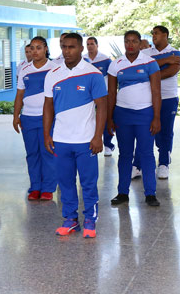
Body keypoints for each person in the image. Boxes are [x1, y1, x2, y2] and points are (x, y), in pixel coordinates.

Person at [43, 33, 107, 238]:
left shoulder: (93, 74)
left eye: (71, 47)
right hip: (61, 140)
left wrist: (98, 136)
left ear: (81, 49)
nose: (67, 51)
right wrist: (47, 134)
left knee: (88, 182)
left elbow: (102, 107)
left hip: (85, 140)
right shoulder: (52, 74)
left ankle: (90, 220)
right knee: (65, 182)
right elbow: (48, 106)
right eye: (64, 47)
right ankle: (70, 220)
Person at [108, 30, 162, 207]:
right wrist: (109, 118)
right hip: (122, 115)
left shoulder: (150, 63)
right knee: (124, 154)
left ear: (140, 43)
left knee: (146, 154)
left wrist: (156, 117)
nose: (130, 45)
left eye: (134, 41)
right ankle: (122, 192)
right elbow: (111, 93)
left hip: (145, 114)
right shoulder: (115, 64)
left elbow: (156, 92)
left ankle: (150, 193)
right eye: (127, 41)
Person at [135, 25, 180, 179]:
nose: (153, 36)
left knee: (165, 132)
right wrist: (166, 60)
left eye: (156, 33)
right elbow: (139, 68)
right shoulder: (145, 53)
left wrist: (150, 72)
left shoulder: (176, 53)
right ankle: (137, 165)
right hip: (147, 98)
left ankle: (163, 164)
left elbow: (172, 71)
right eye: (152, 33)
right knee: (144, 131)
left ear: (165, 35)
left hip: (168, 97)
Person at [13, 36, 58, 201]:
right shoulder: (24, 69)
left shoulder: (55, 68)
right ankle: (35, 187)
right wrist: (16, 116)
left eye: (39, 47)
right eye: (32, 48)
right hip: (28, 118)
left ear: (46, 49)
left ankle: (48, 188)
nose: (35, 51)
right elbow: (19, 94)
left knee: (48, 152)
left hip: (48, 118)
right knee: (32, 153)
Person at [84, 36, 114, 156]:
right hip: (88, 97)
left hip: (102, 95)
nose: (90, 46)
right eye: (88, 44)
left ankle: (108, 145)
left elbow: (111, 79)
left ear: (97, 45)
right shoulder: (83, 59)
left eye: (92, 44)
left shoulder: (106, 60)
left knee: (105, 119)